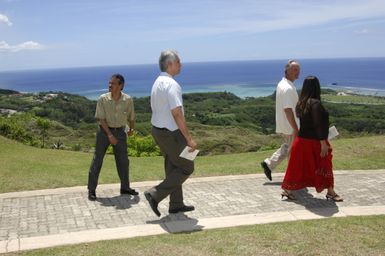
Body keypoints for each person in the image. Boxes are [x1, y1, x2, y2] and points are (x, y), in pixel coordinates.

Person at [144, 49, 197, 217]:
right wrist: (188, 139)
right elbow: (177, 113)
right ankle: (155, 194)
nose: (181, 65)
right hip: (171, 133)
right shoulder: (173, 85)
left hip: (158, 131)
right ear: (170, 64)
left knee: (173, 165)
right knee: (187, 166)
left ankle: (176, 204)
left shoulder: (157, 82)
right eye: (178, 62)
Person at [281, 76, 343, 201]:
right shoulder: (315, 103)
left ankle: (287, 190)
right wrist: (323, 143)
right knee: (324, 165)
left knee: (297, 167)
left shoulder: (301, 103)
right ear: (316, 87)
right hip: (314, 142)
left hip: (301, 141)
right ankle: (330, 191)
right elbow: (318, 124)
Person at [87, 73, 138, 201]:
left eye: (113, 83)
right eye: (109, 83)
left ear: (121, 86)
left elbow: (131, 117)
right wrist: (109, 135)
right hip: (104, 132)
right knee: (97, 160)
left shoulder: (128, 100)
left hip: (120, 132)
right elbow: (101, 119)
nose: (110, 85)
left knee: (123, 161)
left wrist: (131, 129)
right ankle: (91, 190)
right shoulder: (102, 99)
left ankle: (125, 187)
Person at [260, 60, 300, 181]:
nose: (297, 72)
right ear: (287, 71)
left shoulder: (282, 84)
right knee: (293, 153)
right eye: (294, 69)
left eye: (298, 70)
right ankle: (292, 180)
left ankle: (269, 164)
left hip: (285, 125)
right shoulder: (287, 88)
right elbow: (288, 110)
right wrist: (295, 128)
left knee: (288, 147)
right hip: (290, 126)